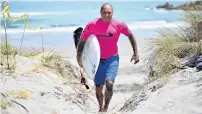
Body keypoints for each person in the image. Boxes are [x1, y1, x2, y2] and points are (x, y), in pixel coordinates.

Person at [76, 3, 139, 112]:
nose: (106, 15)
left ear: (112, 13)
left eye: (109, 12)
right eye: (104, 12)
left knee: (109, 84)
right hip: (97, 61)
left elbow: (130, 35)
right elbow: (82, 41)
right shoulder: (92, 25)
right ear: (100, 13)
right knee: (99, 87)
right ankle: (101, 108)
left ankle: (106, 107)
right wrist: (79, 57)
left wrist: (135, 53)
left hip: (112, 59)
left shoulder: (119, 25)